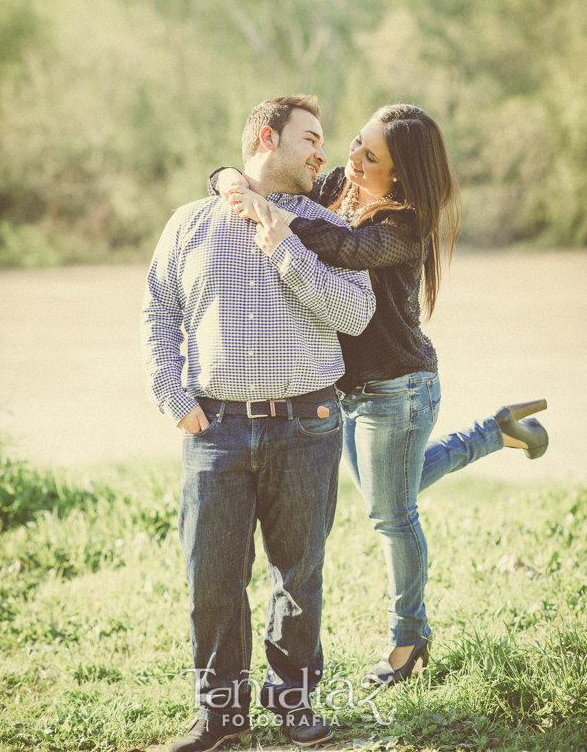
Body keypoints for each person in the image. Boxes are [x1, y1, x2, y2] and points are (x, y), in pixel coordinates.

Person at [216, 102, 548, 688]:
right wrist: (229, 181)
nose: (351, 158)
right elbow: (263, 179)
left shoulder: (403, 223)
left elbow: (345, 249)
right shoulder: (341, 184)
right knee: (393, 489)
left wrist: (277, 219)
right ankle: (494, 430)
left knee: (392, 513)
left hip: (400, 387)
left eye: (370, 156)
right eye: (356, 143)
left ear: (400, 172)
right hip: (352, 391)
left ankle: (408, 640)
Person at [140, 95, 376, 752]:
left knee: (297, 578)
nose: (322, 152)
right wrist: (172, 396)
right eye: (311, 138)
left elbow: (354, 315)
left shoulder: (325, 228)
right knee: (211, 579)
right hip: (212, 431)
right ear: (267, 139)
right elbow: (157, 312)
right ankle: (220, 718)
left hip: (306, 426)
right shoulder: (189, 223)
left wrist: (284, 246)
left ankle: (294, 709)